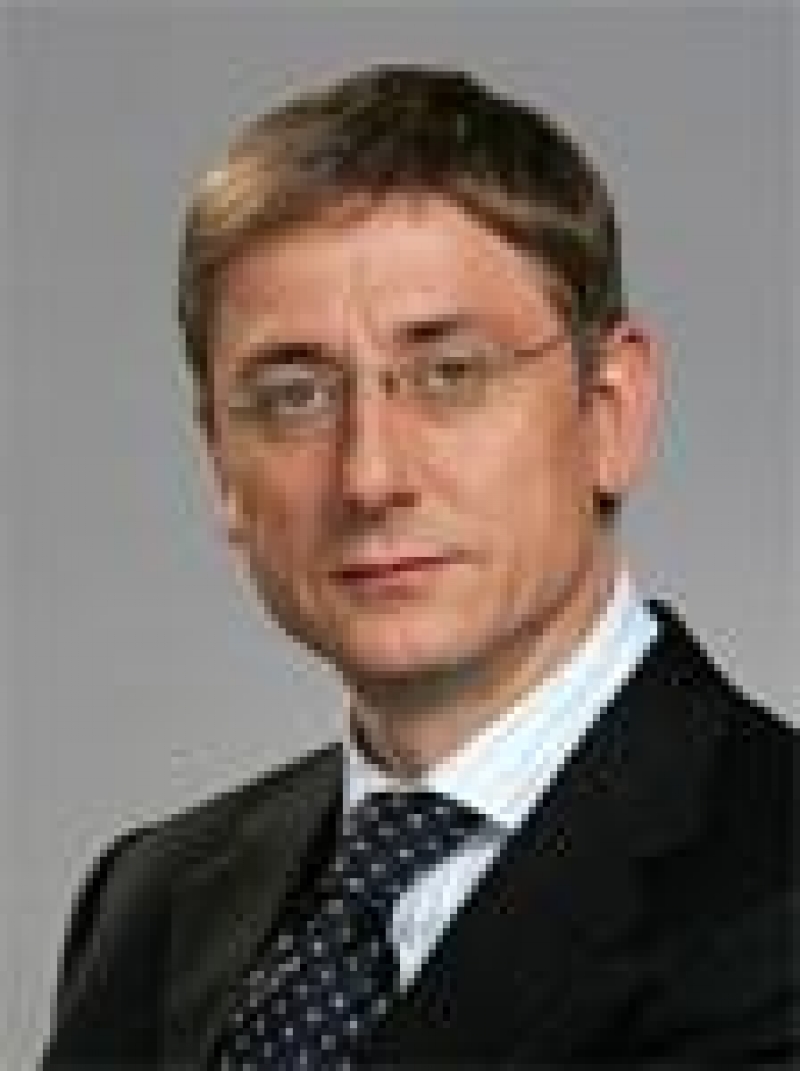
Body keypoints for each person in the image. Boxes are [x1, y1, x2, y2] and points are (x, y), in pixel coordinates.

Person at [41, 65, 797, 1070]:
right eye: (294, 394)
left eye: (451, 374)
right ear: (220, 462)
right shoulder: (146, 899)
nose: (370, 476)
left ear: (609, 411)